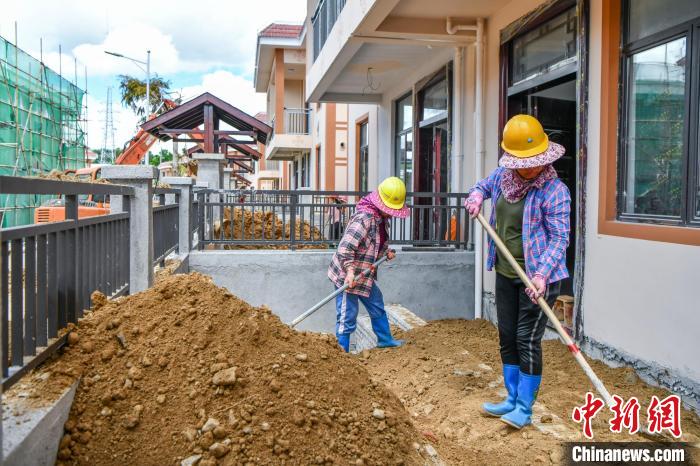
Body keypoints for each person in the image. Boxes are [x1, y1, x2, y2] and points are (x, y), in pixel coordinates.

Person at [465, 114, 571, 429]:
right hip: (505, 272)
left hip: (539, 279)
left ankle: (525, 407)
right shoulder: (502, 177)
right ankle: (511, 398)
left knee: (526, 338)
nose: (529, 167)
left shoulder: (555, 191)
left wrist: (540, 275)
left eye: (535, 160)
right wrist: (475, 196)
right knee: (507, 335)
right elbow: (482, 186)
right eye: (523, 161)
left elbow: (560, 239)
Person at [328, 177, 410, 352]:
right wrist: (350, 272)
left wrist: (384, 253)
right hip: (348, 276)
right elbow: (345, 248)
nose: (392, 214)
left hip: (364, 275)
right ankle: (342, 354)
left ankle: (385, 339)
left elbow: (374, 243)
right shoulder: (364, 218)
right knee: (347, 316)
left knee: (376, 303)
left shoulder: (380, 219)